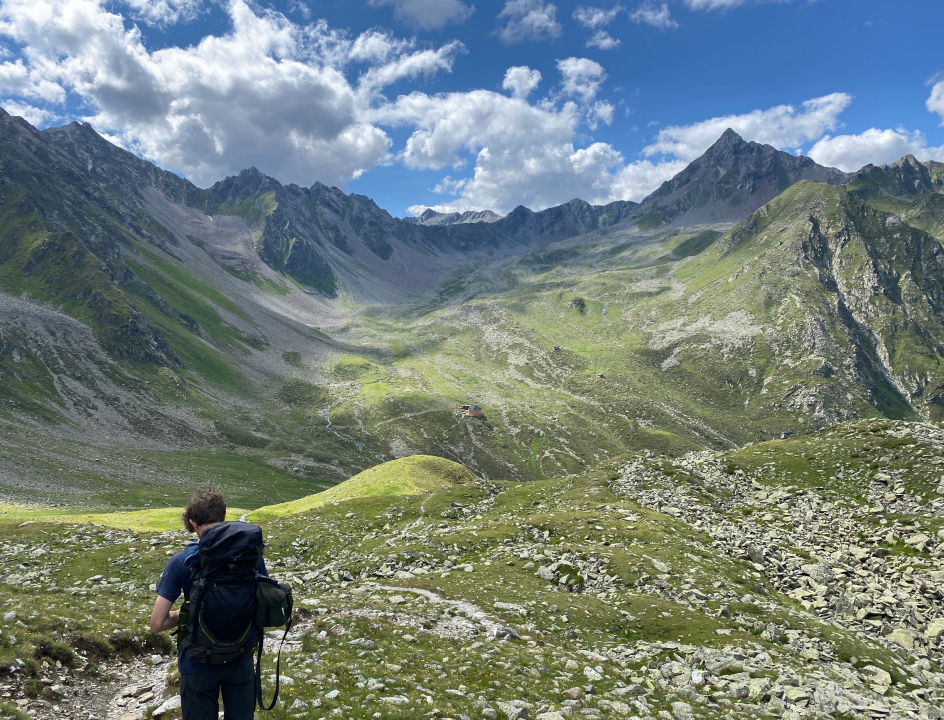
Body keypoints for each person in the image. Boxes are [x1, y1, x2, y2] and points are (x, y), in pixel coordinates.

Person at [150, 490, 268, 720]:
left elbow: (157, 623)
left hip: (197, 663)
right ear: (224, 517)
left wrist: (189, 612)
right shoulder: (250, 557)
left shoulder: (182, 562)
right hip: (240, 658)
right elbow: (261, 602)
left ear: (193, 523)